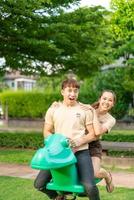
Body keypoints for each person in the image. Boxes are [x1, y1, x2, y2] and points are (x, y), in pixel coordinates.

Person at [34, 78, 101, 200]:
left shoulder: (84, 110)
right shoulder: (53, 109)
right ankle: (59, 197)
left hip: (80, 152)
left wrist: (77, 142)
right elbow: (47, 131)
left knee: (90, 187)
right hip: (58, 154)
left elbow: (92, 134)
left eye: (76, 91)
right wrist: (57, 144)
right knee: (39, 184)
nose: (73, 94)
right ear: (62, 92)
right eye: (69, 90)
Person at [80, 90, 116, 193]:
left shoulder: (111, 119)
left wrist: (93, 113)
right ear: (99, 99)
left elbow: (98, 131)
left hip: (93, 145)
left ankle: (107, 176)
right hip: (80, 141)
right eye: (104, 98)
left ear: (113, 104)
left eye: (110, 100)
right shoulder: (88, 109)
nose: (106, 102)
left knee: (95, 173)